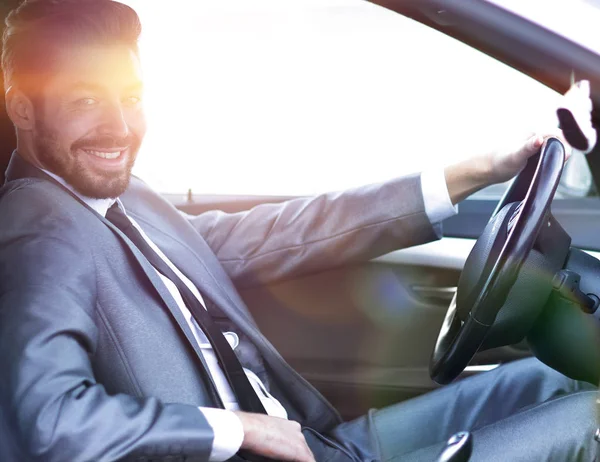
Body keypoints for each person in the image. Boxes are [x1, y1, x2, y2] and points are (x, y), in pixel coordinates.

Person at [0, 1, 596, 461]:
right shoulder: (36, 231)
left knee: (559, 375)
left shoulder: (120, 194)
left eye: (129, 97)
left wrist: (480, 170)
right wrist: (238, 428)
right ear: (23, 106)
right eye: (84, 101)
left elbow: (279, 233)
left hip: (328, 443)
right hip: (280, 446)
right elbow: (50, 422)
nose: (120, 126)